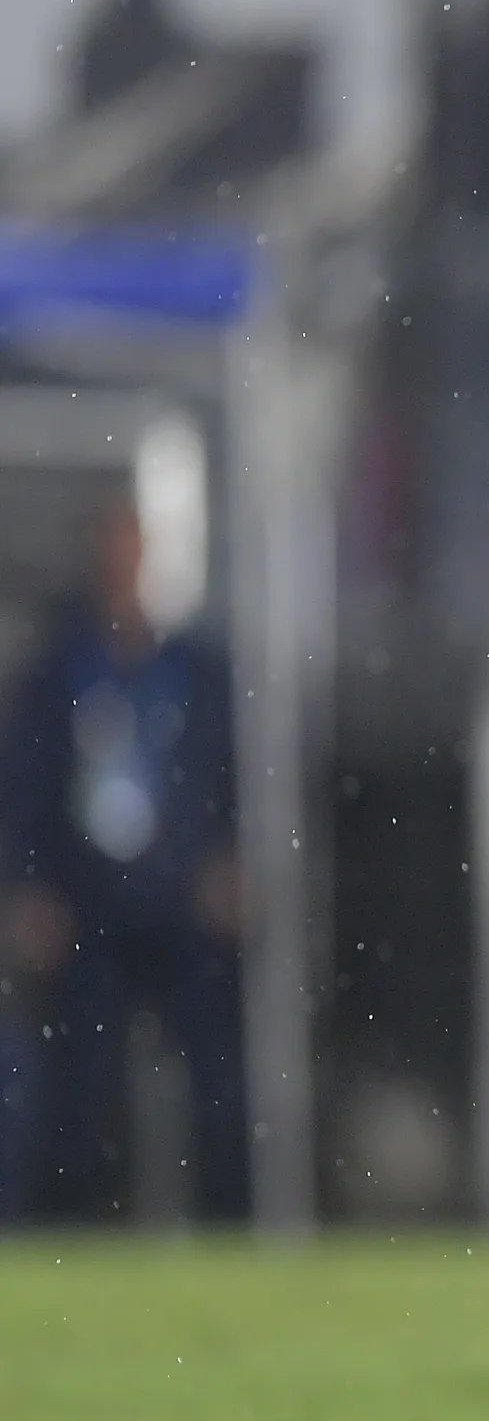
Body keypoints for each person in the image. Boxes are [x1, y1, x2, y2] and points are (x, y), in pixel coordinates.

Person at [0, 498, 247, 1220]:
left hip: (178, 896)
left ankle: (228, 1219)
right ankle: (77, 1225)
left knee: (217, 1075)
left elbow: (226, 775)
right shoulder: (59, 669)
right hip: (89, 902)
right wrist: (28, 887)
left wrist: (228, 860)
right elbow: (27, 785)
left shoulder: (193, 668)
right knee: (79, 1084)